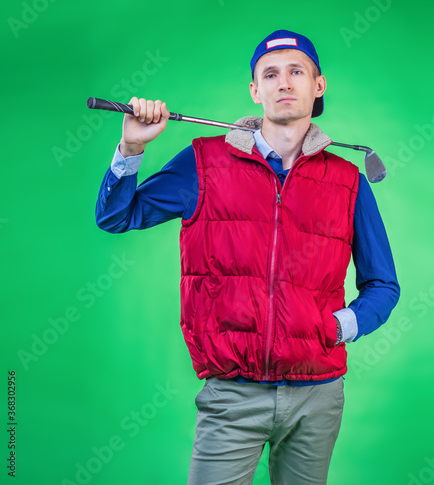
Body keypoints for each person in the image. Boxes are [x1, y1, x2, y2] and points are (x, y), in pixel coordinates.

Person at [95, 30, 400, 485]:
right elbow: (117, 216)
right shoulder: (203, 161)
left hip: (317, 395)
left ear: (318, 85)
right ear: (256, 90)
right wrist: (132, 147)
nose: (284, 83)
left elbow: (383, 285)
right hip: (230, 394)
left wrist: (339, 327)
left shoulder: (348, 180)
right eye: (270, 74)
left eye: (296, 71)